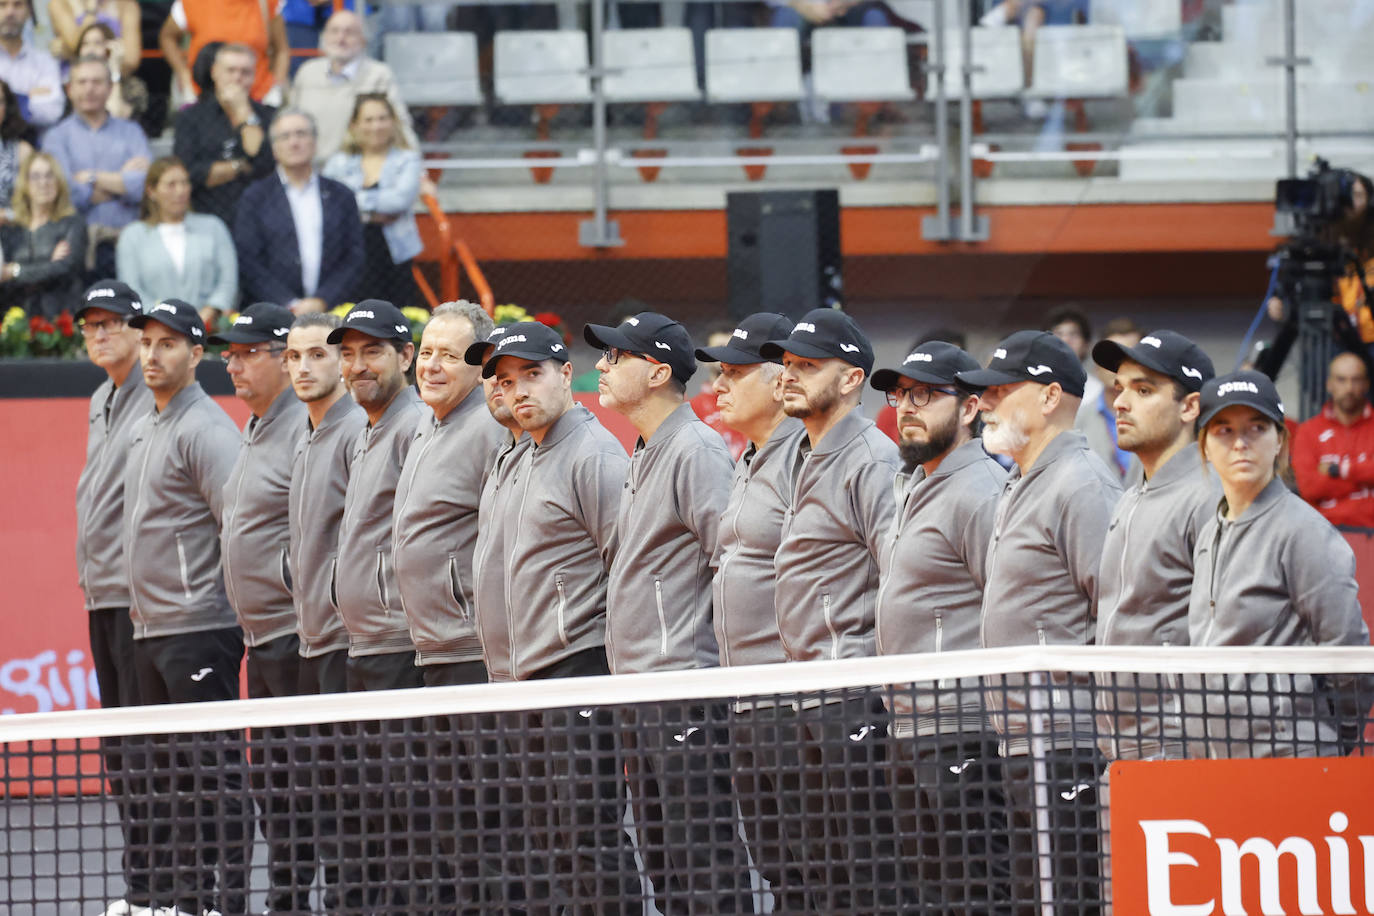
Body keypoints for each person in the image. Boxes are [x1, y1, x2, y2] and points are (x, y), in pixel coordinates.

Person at [467, 320, 640, 911]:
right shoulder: (517, 455)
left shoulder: (594, 454)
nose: (518, 390)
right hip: (518, 681)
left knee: (588, 841)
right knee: (549, 845)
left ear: (568, 375)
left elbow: (626, 565)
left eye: (532, 375)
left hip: (576, 670)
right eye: (507, 380)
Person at [585, 311, 754, 914]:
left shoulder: (696, 448)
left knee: (701, 855)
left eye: (616, 357)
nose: (600, 367)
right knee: (665, 859)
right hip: (641, 688)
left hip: (683, 686)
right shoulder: (648, 448)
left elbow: (728, 559)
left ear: (657, 372)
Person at [955, 328, 1122, 913]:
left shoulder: (1083, 485)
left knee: (1068, 901)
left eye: (1001, 391)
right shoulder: (1019, 480)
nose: (988, 404)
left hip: (1070, 743)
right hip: (1021, 740)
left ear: (1050, 398)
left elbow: (1113, 614)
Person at [757, 308, 917, 914]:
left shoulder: (873, 459)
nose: (789, 375)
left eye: (808, 365)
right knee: (822, 874)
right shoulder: (800, 452)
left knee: (867, 872)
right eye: (789, 363)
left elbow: (894, 573)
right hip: (805, 689)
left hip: (851, 691)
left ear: (851, 379)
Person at [870, 340, 1011, 911]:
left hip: (964, 726)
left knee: (975, 890)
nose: (907, 406)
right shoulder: (915, 482)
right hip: (908, 726)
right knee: (929, 894)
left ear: (971, 409)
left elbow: (1001, 605)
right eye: (901, 393)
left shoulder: (980, 491)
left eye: (925, 395)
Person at [122, 297, 247, 916]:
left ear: (197, 355)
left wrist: (218, 605)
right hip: (150, 627)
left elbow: (238, 527)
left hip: (200, 627)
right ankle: (182, 901)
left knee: (214, 778)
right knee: (168, 780)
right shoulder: (147, 422)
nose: (152, 354)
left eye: (168, 343)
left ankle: (227, 903)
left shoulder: (207, 428)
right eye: (146, 342)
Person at [697, 311, 816, 909]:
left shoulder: (805, 458)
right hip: (745, 695)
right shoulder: (748, 459)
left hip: (794, 699)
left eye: (734, 373)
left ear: (777, 381)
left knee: (821, 868)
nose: (718, 386)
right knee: (778, 867)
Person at [1189, 370, 1371, 758]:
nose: (1240, 443)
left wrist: (1333, 739)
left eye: (1256, 428)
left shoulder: (1304, 531)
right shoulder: (1208, 533)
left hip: (1291, 758)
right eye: (1223, 430)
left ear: (1279, 442)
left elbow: (1348, 653)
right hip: (1217, 762)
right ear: (1203, 446)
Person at [391, 300, 504, 909]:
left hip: (472, 654)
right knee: (452, 825)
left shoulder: (488, 427)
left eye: (450, 355)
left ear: (481, 365)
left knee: (490, 823)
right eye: (427, 352)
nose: (432, 365)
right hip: (430, 649)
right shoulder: (425, 426)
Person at [208, 301, 310, 916]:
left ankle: (295, 902)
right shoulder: (252, 427)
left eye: (247, 355)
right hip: (262, 636)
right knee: (275, 787)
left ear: (282, 360)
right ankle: (285, 900)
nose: (234, 366)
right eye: (230, 355)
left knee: (306, 789)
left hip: (299, 636)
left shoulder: (304, 428)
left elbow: (321, 534)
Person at [328, 299, 425, 910]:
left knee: (408, 815)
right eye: (350, 353)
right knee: (375, 812)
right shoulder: (366, 428)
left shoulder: (412, 426)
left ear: (405, 357)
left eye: (373, 352)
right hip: (362, 642)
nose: (358, 366)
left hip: (398, 644)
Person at [1091, 329, 1217, 762]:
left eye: (1143, 390)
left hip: (1179, 751)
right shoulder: (1131, 495)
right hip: (1121, 748)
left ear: (1190, 406)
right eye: (1119, 388)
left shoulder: (1211, 497)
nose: (1120, 403)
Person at [73, 280, 154, 916]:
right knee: (122, 756)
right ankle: (142, 888)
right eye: (91, 326)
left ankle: (167, 891)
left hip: (142, 602)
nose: (100, 334)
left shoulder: (155, 399)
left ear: (137, 330)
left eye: (112, 324)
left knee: (153, 755)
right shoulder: (101, 396)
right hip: (101, 594)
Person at [283, 310, 365, 912]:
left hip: (345, 642)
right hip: (307, 639)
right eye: (294, 356)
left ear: (339, 361)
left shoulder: (354, 432)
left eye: (316, 354)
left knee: (348, 802)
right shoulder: (304, 434)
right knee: (313, 796)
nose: (304, 367)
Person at [236, 107, 362, 313]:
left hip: (332, 312)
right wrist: (289, 304)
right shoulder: (255, 197)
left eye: (301, 134)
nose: (294, 143)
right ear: (274, 148)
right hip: (273, 314)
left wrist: (322, 300)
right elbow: (248, 261)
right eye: (285, 136)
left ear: (314, 142)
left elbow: (354, 257)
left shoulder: (342, 195)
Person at [42, 55, 149, 278]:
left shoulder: (131, 132)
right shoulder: (56, 137)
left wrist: (90, 177)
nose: (89, 89)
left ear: (110, 88)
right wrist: (120, 181)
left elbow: (144, 186)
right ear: (69, 89)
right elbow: (64, 192)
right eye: (82, 82)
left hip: (127, 241)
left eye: (97, 82)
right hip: (76, 246)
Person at [322, 93, 420, 308]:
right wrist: (373, 212)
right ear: (355, 125)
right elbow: (329, 202)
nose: (376, 126)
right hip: (349, 252)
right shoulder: (338, 162)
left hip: (394, 256)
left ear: (393, 122)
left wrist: (355, 204)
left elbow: (398, 201)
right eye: (368, 120)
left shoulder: (408, 159)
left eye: (382, 118)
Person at [116, 155, 237, 327]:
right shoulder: (132, 236)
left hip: (210, 330)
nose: (180, 191)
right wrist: (166, 320)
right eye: (171, 184)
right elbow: (132, 290)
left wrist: (210, 311)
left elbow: (228, 281)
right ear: (151, 191)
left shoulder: (214, 227)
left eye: (185, 183)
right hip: (155, 329)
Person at [291, 9, 414, 164]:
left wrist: (419, 171)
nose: (341, 38)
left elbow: (400, 124)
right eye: (334, 31)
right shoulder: (307, 72)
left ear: (363, 41)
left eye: (349, 32)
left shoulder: (379, 75)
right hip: (310, 169)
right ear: (323, 38)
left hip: (358, 170)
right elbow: (291, 121)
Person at [172, 42, 275, 226]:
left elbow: (264, 165)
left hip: (260, 216)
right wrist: (241, 166)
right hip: (206, 216)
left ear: (254, 76)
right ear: (214, 72)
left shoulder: (269, 116)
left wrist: (243, 111)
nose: (237, 78)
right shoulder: (191, 117)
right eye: (231, 70)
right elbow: (190, 173)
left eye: (245, 72)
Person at [1293, 351, 1374, 527]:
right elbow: (1309, 488)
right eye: (1341, 380)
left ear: (1367, 384)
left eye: (1356, 380)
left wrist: (1340, 471)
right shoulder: (1308, 431)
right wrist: (1364, 484)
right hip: (1323, 535)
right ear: (1329, 385)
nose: (1349, 388)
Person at [0, 151, 86, 317]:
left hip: (60, 317)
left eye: (49, 176)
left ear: (58, 182)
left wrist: (15, 271)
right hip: (15, 319)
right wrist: (47, 264)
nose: (43, 183)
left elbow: (64, 268)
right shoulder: (12, 228)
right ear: (25, 184)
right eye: (36, 177)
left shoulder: (71, 222)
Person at [159, 0, 288, 104]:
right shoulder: (191, 3)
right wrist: (183, 72)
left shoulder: (267, 3)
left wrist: (276, 86)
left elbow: (281, 50)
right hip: (203, 98)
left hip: (258, 96)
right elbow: (167, 37)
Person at [1075, 316, 1143, 481]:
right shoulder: (1076, 421)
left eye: (1129, 356)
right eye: (1111, 357)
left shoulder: (1160, 416)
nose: (1118, 366)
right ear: (1096, 366)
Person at [687, 322, 748, 459]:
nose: (725, 356)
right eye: (719, 349)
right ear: (705, 358)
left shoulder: (752, 401)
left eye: (731, 349)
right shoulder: (692, 409)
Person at [0, 0, 64, 126]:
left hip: (34, 141)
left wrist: (6, 99)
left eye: (17, 5)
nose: (10, 12)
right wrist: (28, 95)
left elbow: (52, 112)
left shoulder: (45, 62)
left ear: (29, 11)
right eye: (2, 5)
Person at [72, 22, 149, 121]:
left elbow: (114, 116)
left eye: (97, 43)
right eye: (85, 44)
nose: (90, 49)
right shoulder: (73, 84)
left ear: (110, 49)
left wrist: (114, 71)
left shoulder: (132, 87)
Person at [49, 0, 139, 66]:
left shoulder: (126, 5)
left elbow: (131, 60)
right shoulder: (60, 3)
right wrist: (91, 11)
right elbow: (74, 45)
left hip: (114, 75)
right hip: (74, 79)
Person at [0, 78, 33, 212]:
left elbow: (33, 205)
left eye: (0, 101)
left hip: (12, 228)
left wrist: (6, 216)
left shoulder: (22, 151)